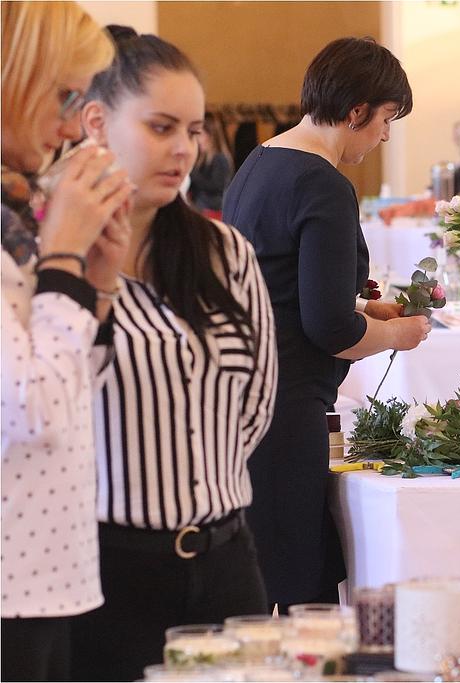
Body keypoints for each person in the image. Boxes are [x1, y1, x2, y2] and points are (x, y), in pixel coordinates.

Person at [68, 27, 278, 681]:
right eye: (161, 128)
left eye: (192, 130)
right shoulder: (56, 256)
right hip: (108, 570)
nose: (183, 149)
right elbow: (49, 405)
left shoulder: (224, 252)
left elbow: (257, 397)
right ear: (96, 123)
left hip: (227, 558)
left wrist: (201, 474)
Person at [223, 37, 428, 612]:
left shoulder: (258, 162)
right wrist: (400, 334)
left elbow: (279, 289)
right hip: (287, 404)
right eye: (386, 119)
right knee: (295, 588)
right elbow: (329, 330)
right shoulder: (323, 183)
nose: (385, 135)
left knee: (264, 573)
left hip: (242, 394)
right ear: (357, 111)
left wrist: (364, 310)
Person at [1, 5, 132, 680]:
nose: (72, 124)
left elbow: (79, 389)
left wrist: (96, 283)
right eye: (62, 95)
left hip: (50, 570)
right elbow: (32, 410)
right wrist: (63, 262)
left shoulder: (17, 211)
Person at [188, 111, 233, 214]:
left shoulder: (220, 159)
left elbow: (216, 186)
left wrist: (192, 173)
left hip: (213, 211)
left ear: (211, 135)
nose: (197, 140)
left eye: (200, 135)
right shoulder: (203, 159)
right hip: (201, 208)